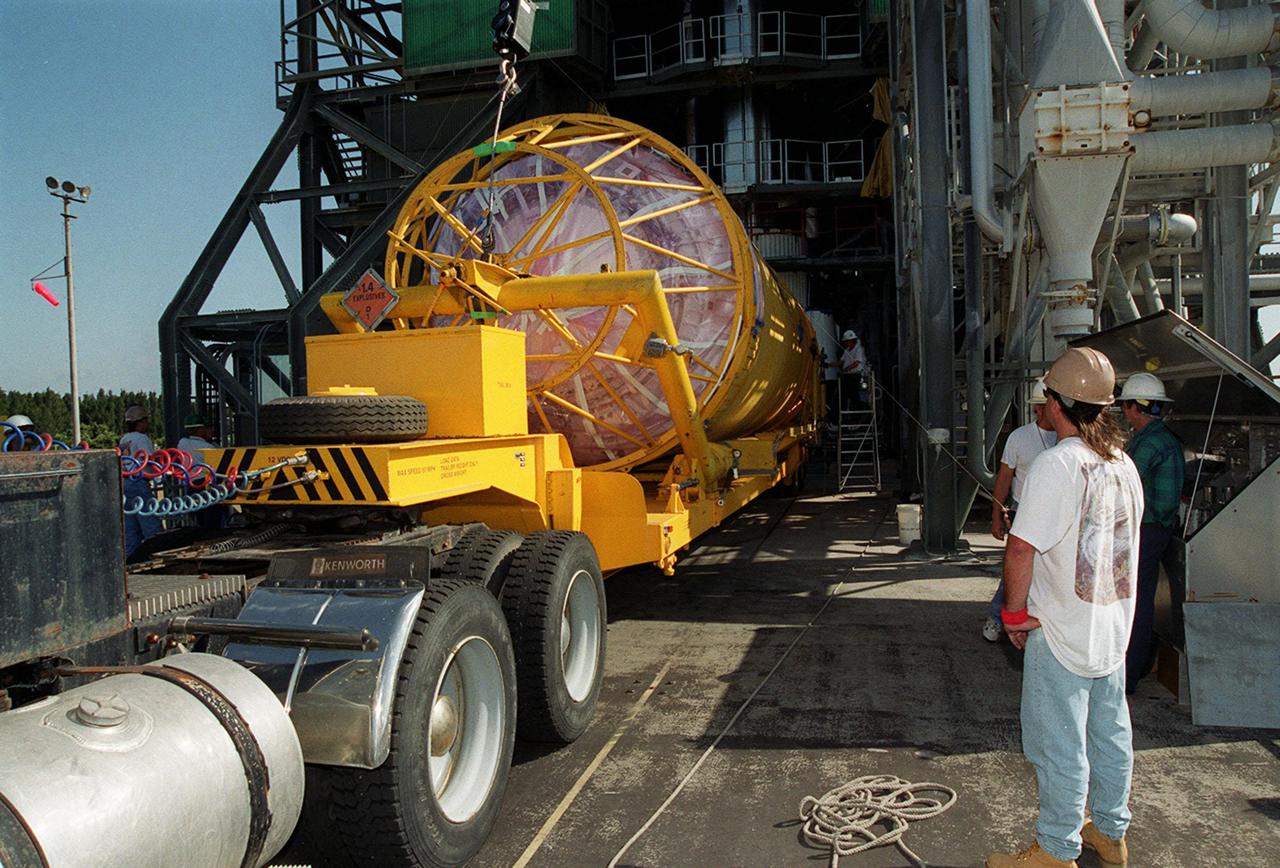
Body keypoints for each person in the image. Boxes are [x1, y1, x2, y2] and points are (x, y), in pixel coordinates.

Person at [989, 347, 1143, 868]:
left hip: (1060, 632)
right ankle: (1110, 831)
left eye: (1046, 399)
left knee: (1058, 744)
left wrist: (1012, 614)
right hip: (1111, 628)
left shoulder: (1057, 465)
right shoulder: (1123, 464)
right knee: (1110, 734)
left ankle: (1056, 850)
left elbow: (1021, 546)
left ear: (1056, 403)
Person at [1119, 372, 1182, 695]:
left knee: (1135, 603)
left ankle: (1127, 675)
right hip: (1154, 530)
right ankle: (1136, 667)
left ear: (1134, 408)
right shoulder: (1157, 438)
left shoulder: (1149, 443)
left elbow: (1122, 486)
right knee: (1139, 600)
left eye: (1125, 406)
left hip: (1146, 531)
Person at [983, 380, 1057, 642]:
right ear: (1039, 409)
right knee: (1017, 568)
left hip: (1057, 514)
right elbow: (1003, 478)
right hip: (1023, 511)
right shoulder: (1020, 438)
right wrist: (996, 516)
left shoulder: (1070, 439)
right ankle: (998, 615)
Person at [119, 404, 162, 558]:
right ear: (140, 422)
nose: (148, 423)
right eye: (145, 420)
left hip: (125, 483)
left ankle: (131, 562)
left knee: (131, 529)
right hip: (139, 482)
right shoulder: (142, 438)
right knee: (151, 526)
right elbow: (149, 460)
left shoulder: (125, 439)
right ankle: (157, 558)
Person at [176, 411, 226, 530]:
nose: (211, 431)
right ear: (199, 430)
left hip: (192, 486)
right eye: (208, 428)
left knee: (200, 518)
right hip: (208, 485)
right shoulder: (209, 448)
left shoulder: (182, 443)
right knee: (213, 519)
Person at [838, 329, 867, 409]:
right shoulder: (847, 350)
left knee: (854, 395)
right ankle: (848, 411)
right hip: (847, 376)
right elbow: (840, 362)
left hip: (855, 375)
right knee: (845, 395)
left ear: (852, 341)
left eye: (847, 341)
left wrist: (846, 369)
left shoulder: (858, 349)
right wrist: (829, 364)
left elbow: (857, 363)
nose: (846, 343)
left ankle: (857, 413)